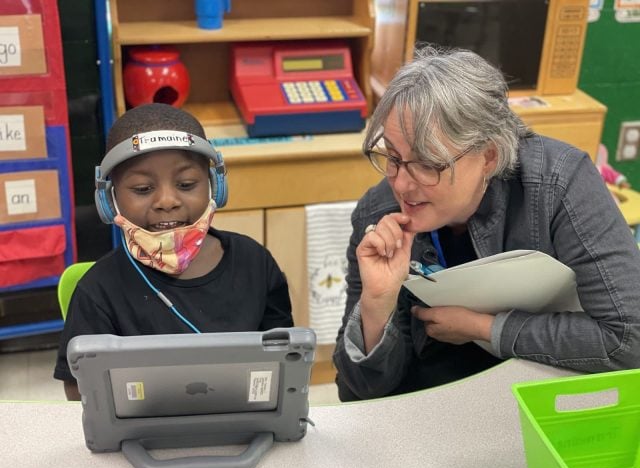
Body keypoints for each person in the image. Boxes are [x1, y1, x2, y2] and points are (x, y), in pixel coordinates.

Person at [333, 45, 640, 402]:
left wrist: (484, 328)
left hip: (545, 393)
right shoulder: (379, 212)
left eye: (428, 164)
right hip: (435, 405)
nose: (402, 184)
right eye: (393, 158)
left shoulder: (558, 185)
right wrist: (377, 302)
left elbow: (628, 337)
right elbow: (357, 392)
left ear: (488, 157)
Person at [54, 103, 293, 400]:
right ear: (108, 199)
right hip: (136, 439)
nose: (167, 200)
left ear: (215, 186)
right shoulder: (97, 290)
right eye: (142, 188)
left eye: (186, 184)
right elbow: (79, 389)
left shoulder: (255, 263)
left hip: (246, 428)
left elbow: (286, 362)